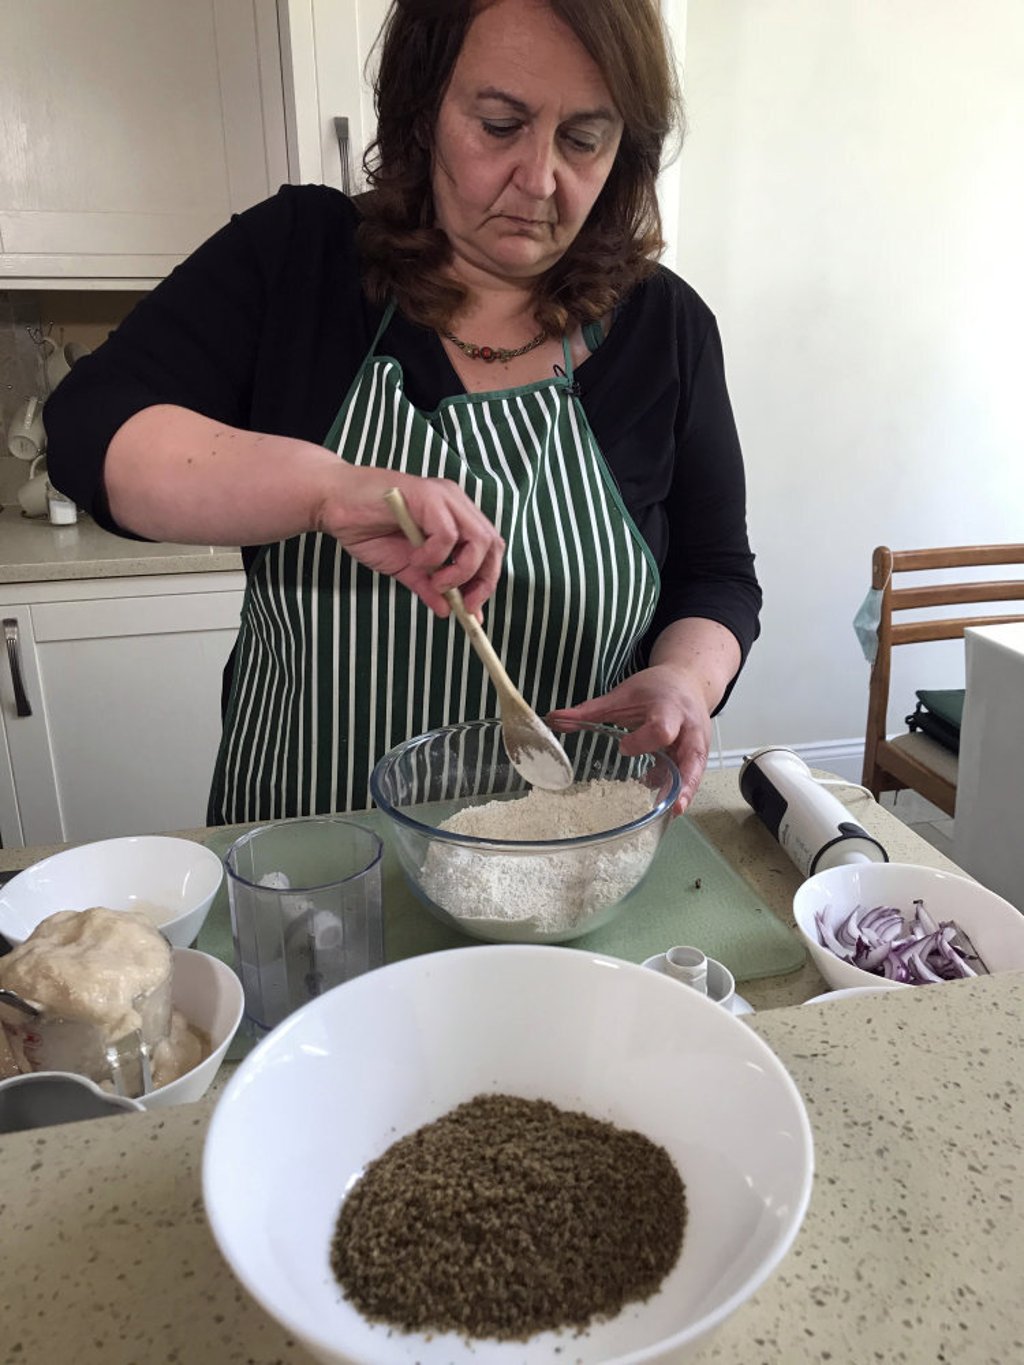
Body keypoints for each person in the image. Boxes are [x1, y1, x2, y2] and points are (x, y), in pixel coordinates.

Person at [45, 0, 761, 826]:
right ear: (423, 114)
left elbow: (716, 573)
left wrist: (685, 679)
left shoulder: (667, 329)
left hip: (568, 858)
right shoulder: (298, 262)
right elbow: (88, 428)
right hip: (314, 856)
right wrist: (325, 489)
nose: (539, 180)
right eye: (499, 125)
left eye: (582, 139)